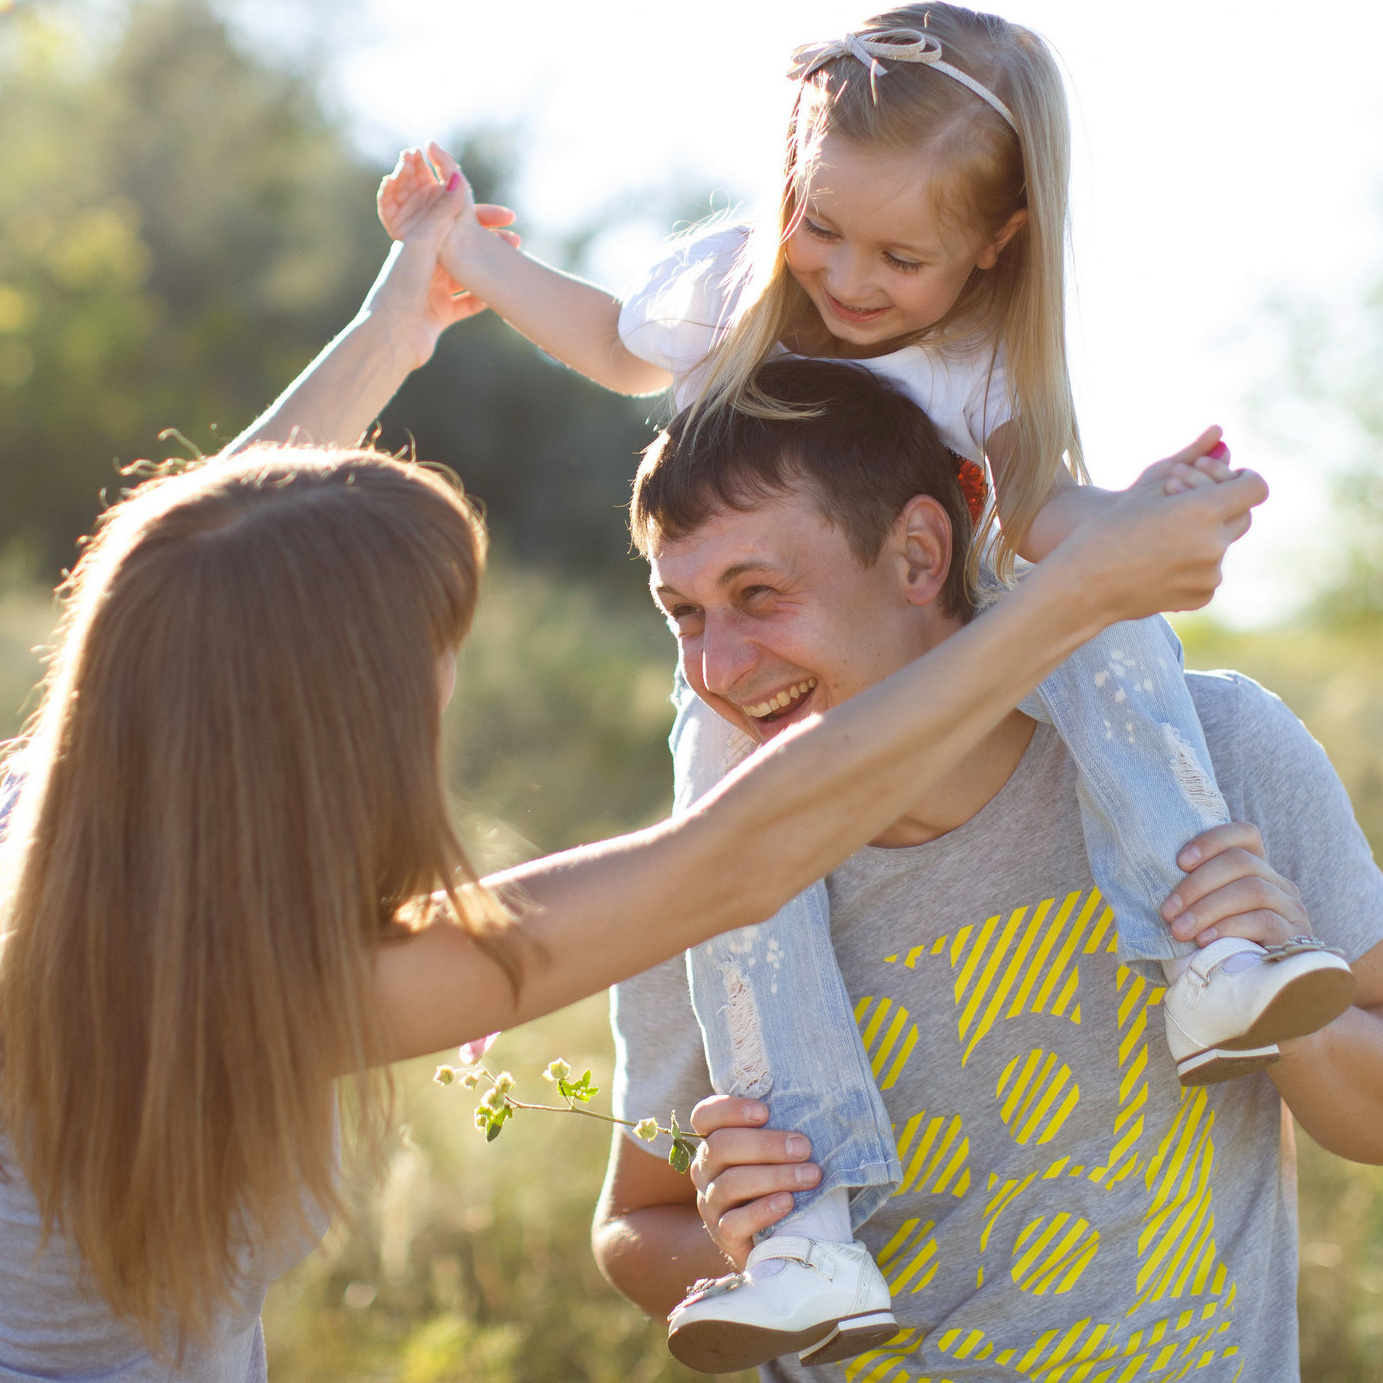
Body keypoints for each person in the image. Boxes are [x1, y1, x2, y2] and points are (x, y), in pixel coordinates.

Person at [0, 147, 1260, 1380]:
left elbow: (184, 582)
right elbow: (734, 859)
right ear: (335, 724)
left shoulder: (48, 828)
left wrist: (397, 325)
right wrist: (1075, 596)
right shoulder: (236, 982)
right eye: (436, 659)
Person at [375, 2, 1353, 1356]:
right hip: (767, 831)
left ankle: (1216, 951)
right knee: (737, 872)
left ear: (993, 242)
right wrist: (472, 258)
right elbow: (608, 340)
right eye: (821, 227)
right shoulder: (731, 293)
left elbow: (1049, 518)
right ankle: (803, 1236)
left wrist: (1149, 517)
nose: (846, 277)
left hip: (1043, 678)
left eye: (899, 255)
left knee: (1108, 624)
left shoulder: (984, 377)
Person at [594, 357, 1383, 1381]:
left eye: (759, 594)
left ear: (920, 554)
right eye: (685, 614)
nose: (718, 667)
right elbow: (633, 1226)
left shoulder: (1213, 752)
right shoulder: (700, 883)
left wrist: (1296, 1006)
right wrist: (735, 1237)